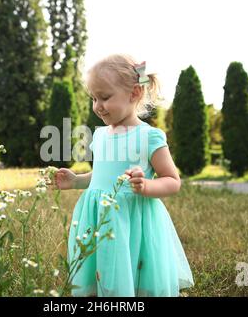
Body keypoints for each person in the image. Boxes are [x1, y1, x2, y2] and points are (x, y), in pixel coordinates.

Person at [54, 54, 194, 297]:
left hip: (131, 218)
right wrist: (77, 180)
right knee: (103, 270)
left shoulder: (149, 136)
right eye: (94, 98)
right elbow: (101, 177)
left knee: (130, 269)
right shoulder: (100, 136)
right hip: (100, 216)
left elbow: (172, 181)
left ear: (134, 93)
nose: (97, 106)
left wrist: (147, 186)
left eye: (105, 97)